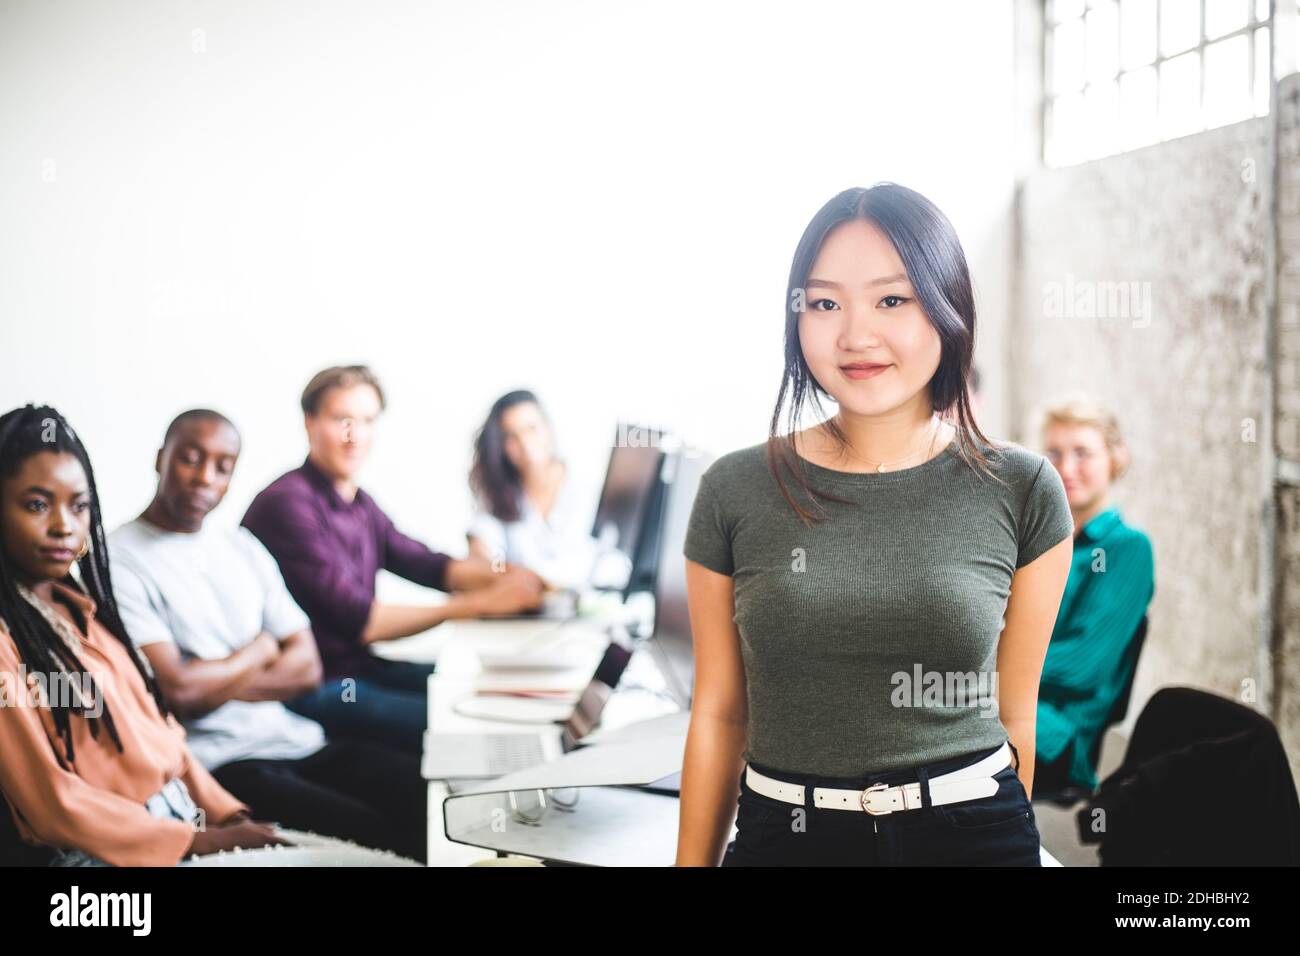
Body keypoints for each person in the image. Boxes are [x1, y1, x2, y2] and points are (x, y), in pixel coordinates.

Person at [674, 183, 1075, 867]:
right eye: (825, 303)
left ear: (947, 309)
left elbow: (1015, 717)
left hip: (973, 835)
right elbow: (719, 713)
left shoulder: (1022, 488)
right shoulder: (733, 489)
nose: (856, 335)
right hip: (785, 838)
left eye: (892, 299)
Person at [109, 409, 428, 861]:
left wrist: (212, 678)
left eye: (222, 466)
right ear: (161, 458)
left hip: (296, 737)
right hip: (223, 764)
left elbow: (306, 668)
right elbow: (180, 692)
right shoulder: (118, 559)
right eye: (190, 458)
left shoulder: (241, 548)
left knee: (426, 793)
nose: (204, 477)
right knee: (373, 831)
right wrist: (262, 647)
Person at [0, 404, 286, 866]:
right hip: (103, 852)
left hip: (180, 816)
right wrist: (191, 843)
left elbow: (165, 734)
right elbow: (50, 802)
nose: (63, 526)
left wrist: (226, 814)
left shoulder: (84, 610)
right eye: (37, 504)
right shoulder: (8, 638)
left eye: (78, 505)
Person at [241, 365, 544, 756]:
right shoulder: (288, 504)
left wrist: (512, 574)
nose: (356, 436)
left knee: (489, 690)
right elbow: (363, 621)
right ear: (309, 423)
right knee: (463, 722)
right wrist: (478, 604)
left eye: (367, 421)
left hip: (363, 670)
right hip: (317, 686)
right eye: (342, 420)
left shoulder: (359, 504)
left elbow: (429, 565)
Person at [1034, 395, 1155, 794]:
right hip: (995, 703)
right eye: (1054, 453)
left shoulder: (1126, 548)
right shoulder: (1040, 542)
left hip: (1056, 734)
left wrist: (978, 673)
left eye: (1083, 453)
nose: (1066, 469)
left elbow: (1082, 666)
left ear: (1115, 459)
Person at [466, 389, 621, 590]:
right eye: (511, 436)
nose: (525, 443)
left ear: (548, 428)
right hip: (529, 612)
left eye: (532, 428)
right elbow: (485, 554)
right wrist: (498, 570)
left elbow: (614, 559)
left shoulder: (591, 485)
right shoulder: (499, 497)